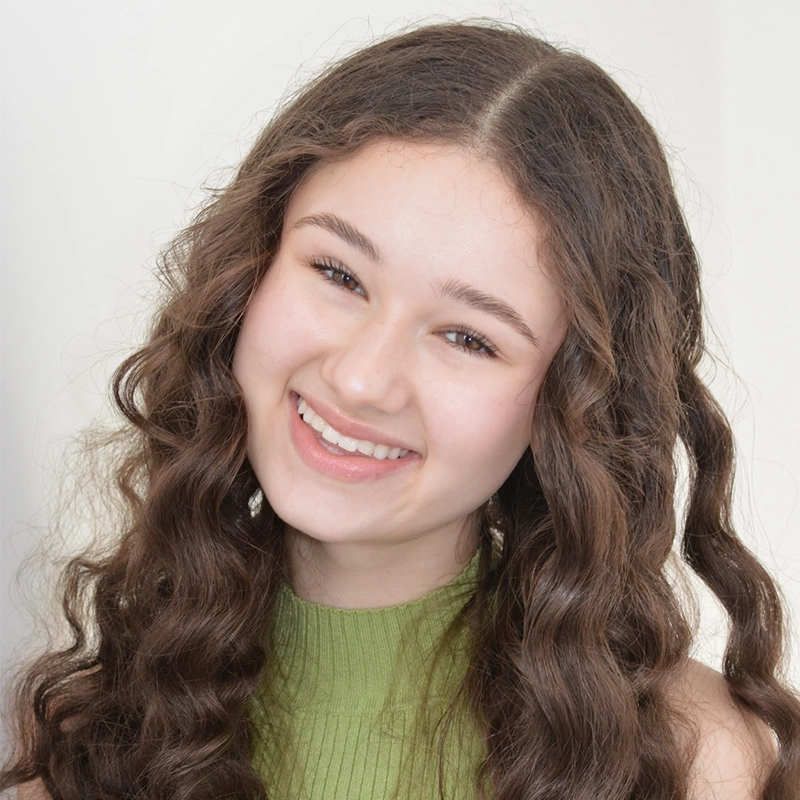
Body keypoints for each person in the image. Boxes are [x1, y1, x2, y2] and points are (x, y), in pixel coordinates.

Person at [3, 19, 799, 800]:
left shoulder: (694, 762)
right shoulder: (83, 748)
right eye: (338, 274)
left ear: (576, 405)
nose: (360, 380)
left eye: (467, 337)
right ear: (248, 269)